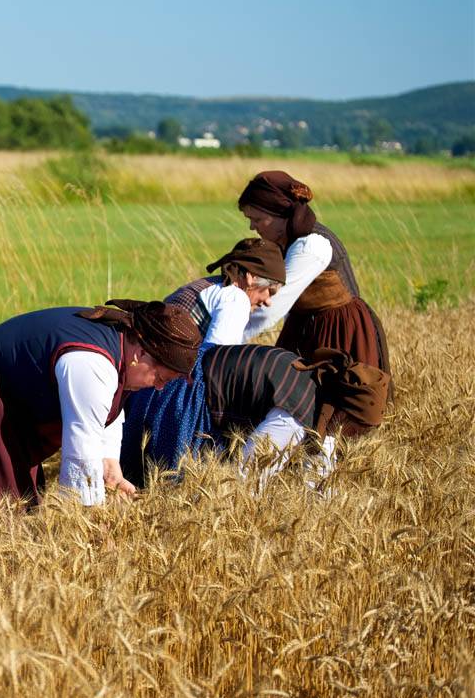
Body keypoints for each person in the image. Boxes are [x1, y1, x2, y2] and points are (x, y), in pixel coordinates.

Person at [0, 300, 201, 527]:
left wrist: (110, 467)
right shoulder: (92, 364)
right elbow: (80, 455)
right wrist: (91, 526)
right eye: (162, 377)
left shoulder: (124, 351)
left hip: (17, 406)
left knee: (16, 506)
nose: (159, 387)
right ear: (142, 352)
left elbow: (107, 410)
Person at [121, 345, 389, 489]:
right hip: (188, 391)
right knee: (167, 486)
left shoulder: (322, 389)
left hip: (203, 371)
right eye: (357, 429)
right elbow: (248, 475)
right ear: (344, 412)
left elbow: (319, 470)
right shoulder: (294, 416)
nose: (355, 438)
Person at [239, 171, 390, 375]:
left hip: (337, 333)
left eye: (257, 219)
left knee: (333, 401)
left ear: (280, 214)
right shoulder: (287, 240)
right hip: (305, 327)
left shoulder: (310, 246)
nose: (252, 226)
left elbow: (272, 305)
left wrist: (224, 340)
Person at [164, 238, 286, 345]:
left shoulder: (210, 284)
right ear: (251, 277)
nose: (268, 302)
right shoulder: (236, 299)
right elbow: (215, 359)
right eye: (270, 291)